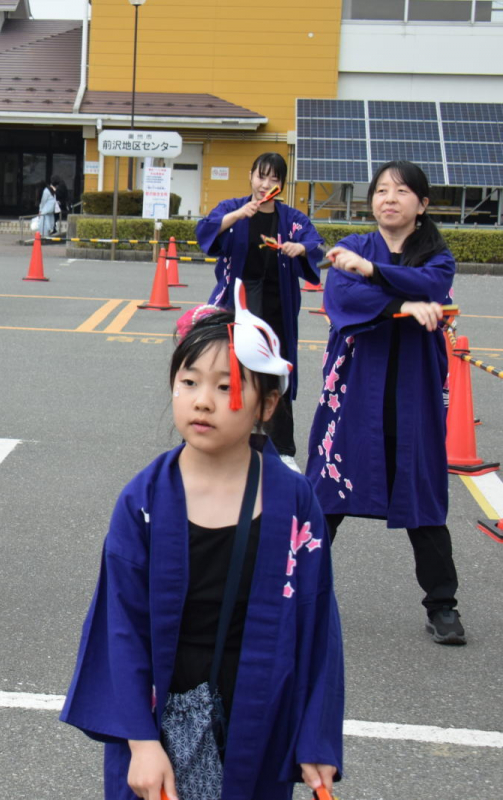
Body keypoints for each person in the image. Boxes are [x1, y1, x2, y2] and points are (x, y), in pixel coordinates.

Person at [61, 294, 344, 800]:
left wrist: (315, 737)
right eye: (188, 382)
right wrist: (142, 742)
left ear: (268, 404)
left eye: (227, 386)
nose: (202, 401)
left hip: (257, 704)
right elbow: (120, 625)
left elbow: (315, 621)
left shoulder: (294, 499)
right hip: (159, 709)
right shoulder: (144, 498)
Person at [306, 159, 465, 645]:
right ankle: (293, 592)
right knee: (327, 491)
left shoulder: (437, 256)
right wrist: (398, 304)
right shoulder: (352, 247)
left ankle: (442, 605)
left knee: (421, 496)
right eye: (380, 191)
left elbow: (432, 287)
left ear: (423, 204)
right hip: (355, 390)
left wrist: (375, 272)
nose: (388, 198)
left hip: (411, 393)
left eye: (400, 191)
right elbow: (342, 297)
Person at [196, 152, 324, 473]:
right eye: (261, 176)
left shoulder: (291, 218)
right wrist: (239, 214)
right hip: (237, 303)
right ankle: (226, 440)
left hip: (277, 304)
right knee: (231, 372)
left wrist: (301, 248)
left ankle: (282, 449)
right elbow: (205, 231)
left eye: (274, 179)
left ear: (282, 184)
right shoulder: (233, 207)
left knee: (277, 374)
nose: (266, 184)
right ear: (251, 175)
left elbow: (314, 242)